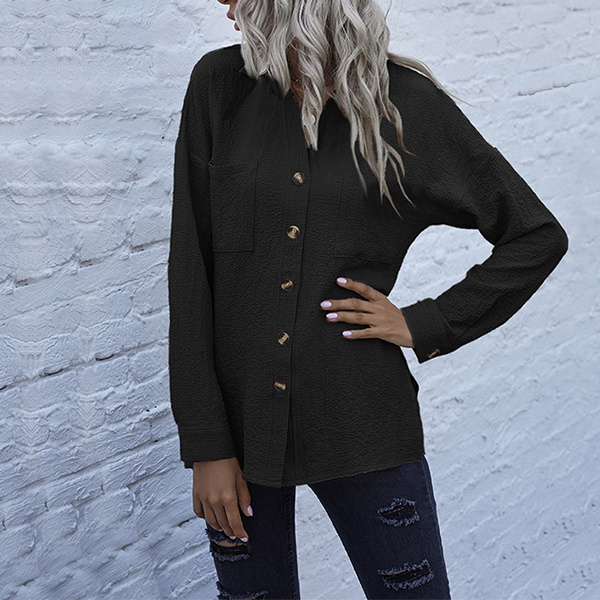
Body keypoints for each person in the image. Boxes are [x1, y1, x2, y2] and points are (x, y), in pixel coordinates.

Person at [167, 0, 569, 598]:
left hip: (364, 422)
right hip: (239, 436)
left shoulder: (405, 105)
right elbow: (190, 273)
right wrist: (207, 446)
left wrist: (425, 322)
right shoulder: (219, 87)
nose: (223, 0)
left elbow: (536, 236)